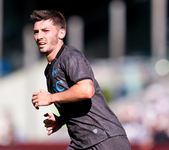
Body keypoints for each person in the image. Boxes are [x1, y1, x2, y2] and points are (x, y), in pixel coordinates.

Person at [31, 10, 131, 150]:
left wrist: (51, 98)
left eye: (45, 31)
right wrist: (61, 120)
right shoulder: (49, 70)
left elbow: (86, 90)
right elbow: (79, 102)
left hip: (104, 140)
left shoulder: (70, 56)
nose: (39, 36)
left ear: (61, 33)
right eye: (36, 32)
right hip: (82, 143)